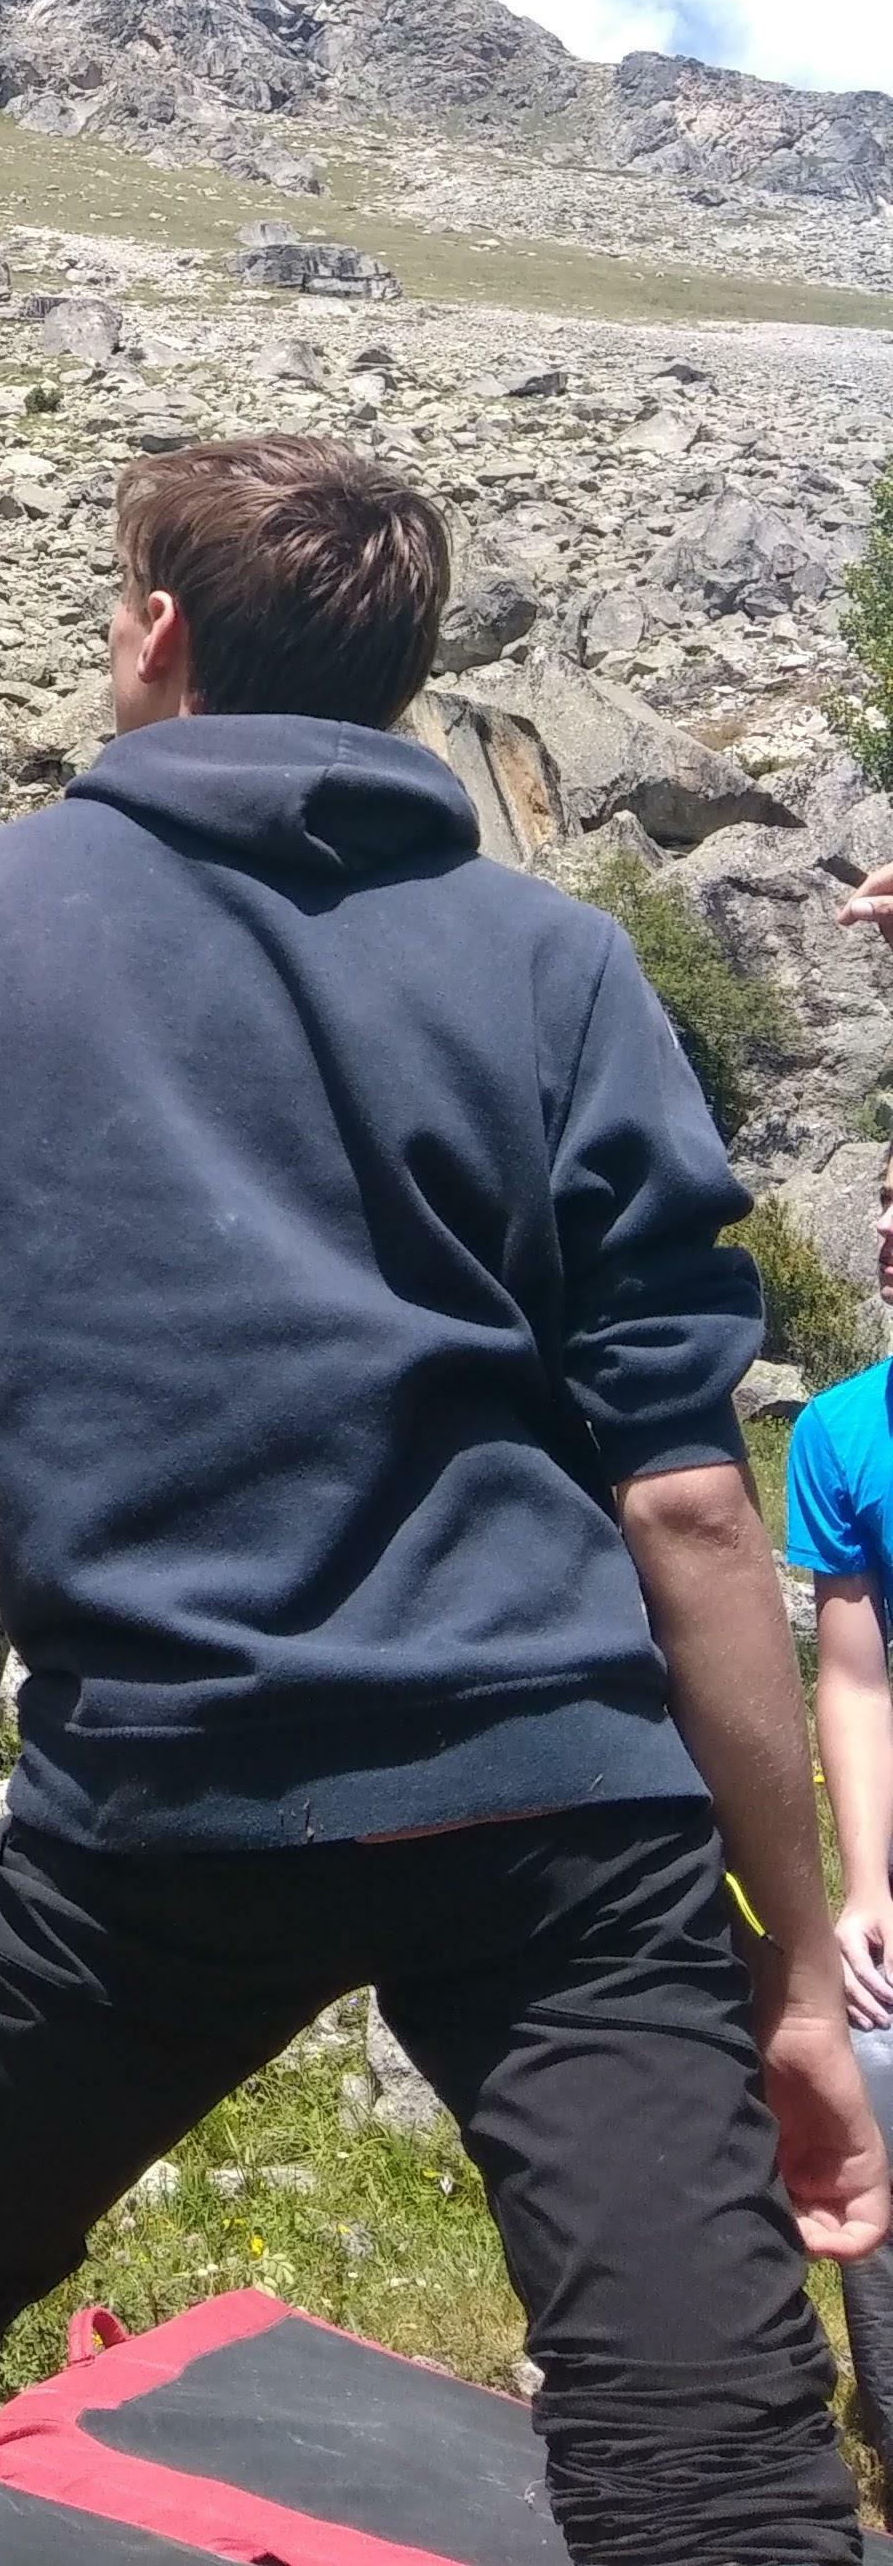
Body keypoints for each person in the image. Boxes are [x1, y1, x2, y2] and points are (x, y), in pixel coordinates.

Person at [0, 440, 888, 2566]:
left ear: (157, 636)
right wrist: (796, 1961)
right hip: (559, 1809)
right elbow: (695, 1508)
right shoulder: (559, 967)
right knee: (713, 2474)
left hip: (164, 1791)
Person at [782, 852, 893, 2452]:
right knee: (874, 2051)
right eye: (879, 1197)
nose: (884, 1225)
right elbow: (857, 1674)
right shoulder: (841, 1437)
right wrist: (864, 1888)